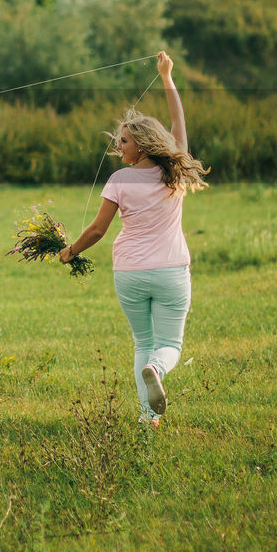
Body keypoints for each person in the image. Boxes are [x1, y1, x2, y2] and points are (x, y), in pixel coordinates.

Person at [59, 51, 208, 428]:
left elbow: (97, 230)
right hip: (172, 269)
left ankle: (147, 418)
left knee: (143, 342)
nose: (118, 145)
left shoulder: (119, 181)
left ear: (141, 144)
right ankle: (157, 370)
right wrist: (167, 76)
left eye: (124, 140)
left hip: (129, 273)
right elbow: (179, 119)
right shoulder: (173, 173)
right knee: (168, 346)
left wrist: (70, 251)